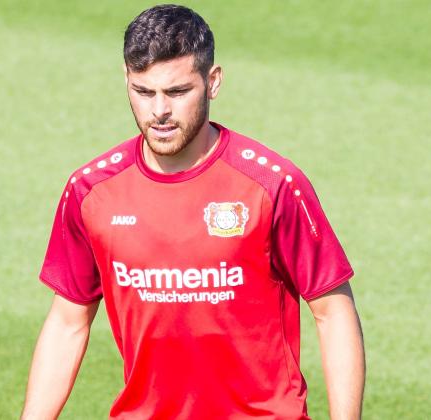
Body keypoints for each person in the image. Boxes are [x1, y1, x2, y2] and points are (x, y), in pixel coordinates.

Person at [21, 4, 365, 419]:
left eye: (177, 92)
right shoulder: (90, 191)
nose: (159, 110)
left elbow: (333, 312)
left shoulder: (273, 185)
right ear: (126, 81)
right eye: (143, 92)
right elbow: (67, 323)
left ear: (213, 82)